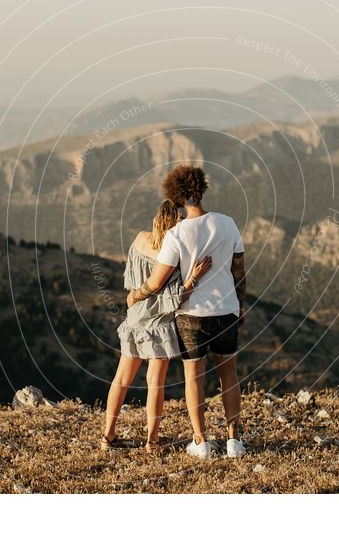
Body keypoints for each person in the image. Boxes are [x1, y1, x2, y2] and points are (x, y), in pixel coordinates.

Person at [127, 165, 247, 459]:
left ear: (177, 197)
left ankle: (200, 441)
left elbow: (156, 282)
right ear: (201, 190)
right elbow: (239, 272)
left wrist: (134, 295)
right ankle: (234, 441)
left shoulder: (177, 234)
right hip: (227, 311)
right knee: (228, 375)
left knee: (194, 377)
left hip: (191, 315)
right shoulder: (228, 223)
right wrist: (240, 305)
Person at [103, 200, 212, 452]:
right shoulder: (173, 252)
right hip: (160, 324)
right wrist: (195, 277)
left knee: (120, 379)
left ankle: (107, 436)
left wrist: (133, 299)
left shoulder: (140, 239)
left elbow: (131, 280)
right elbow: (174, 297)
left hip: (134, 319)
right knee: (155, 383)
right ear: (175, 223)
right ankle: (152, 441)